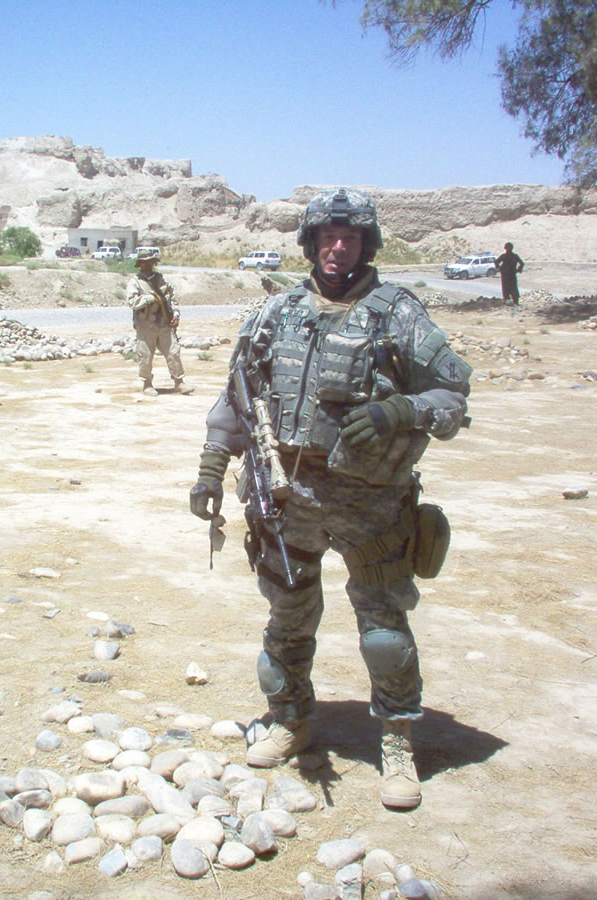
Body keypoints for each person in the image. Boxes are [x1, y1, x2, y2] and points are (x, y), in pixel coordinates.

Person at [188, 188, 472, 811]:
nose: (336, 247)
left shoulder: (396, 312)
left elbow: (454, 395)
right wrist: (212, 467)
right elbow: (239, 393)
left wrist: (401, 408)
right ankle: (290, 718)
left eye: (348, 238)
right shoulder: (277, 312)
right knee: (287, 618)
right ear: (311, 243)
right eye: (325, 237)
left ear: (365, 244)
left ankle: (396, 740)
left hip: (371, 502)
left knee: (382, 631)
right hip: (289, 496)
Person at [128, 249, 191, 395]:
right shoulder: (135, 282)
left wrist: (176, 315)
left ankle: (179, 382)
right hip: (146, 325)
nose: (148, 264)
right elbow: (132, 302)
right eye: (145, 262)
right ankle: (147, 384)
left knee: (173, 352)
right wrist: (149, 298)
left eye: (150, 261)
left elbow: (173, 299)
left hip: (164, 323)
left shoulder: (162, 280)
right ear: (140, 264)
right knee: (145, 355)